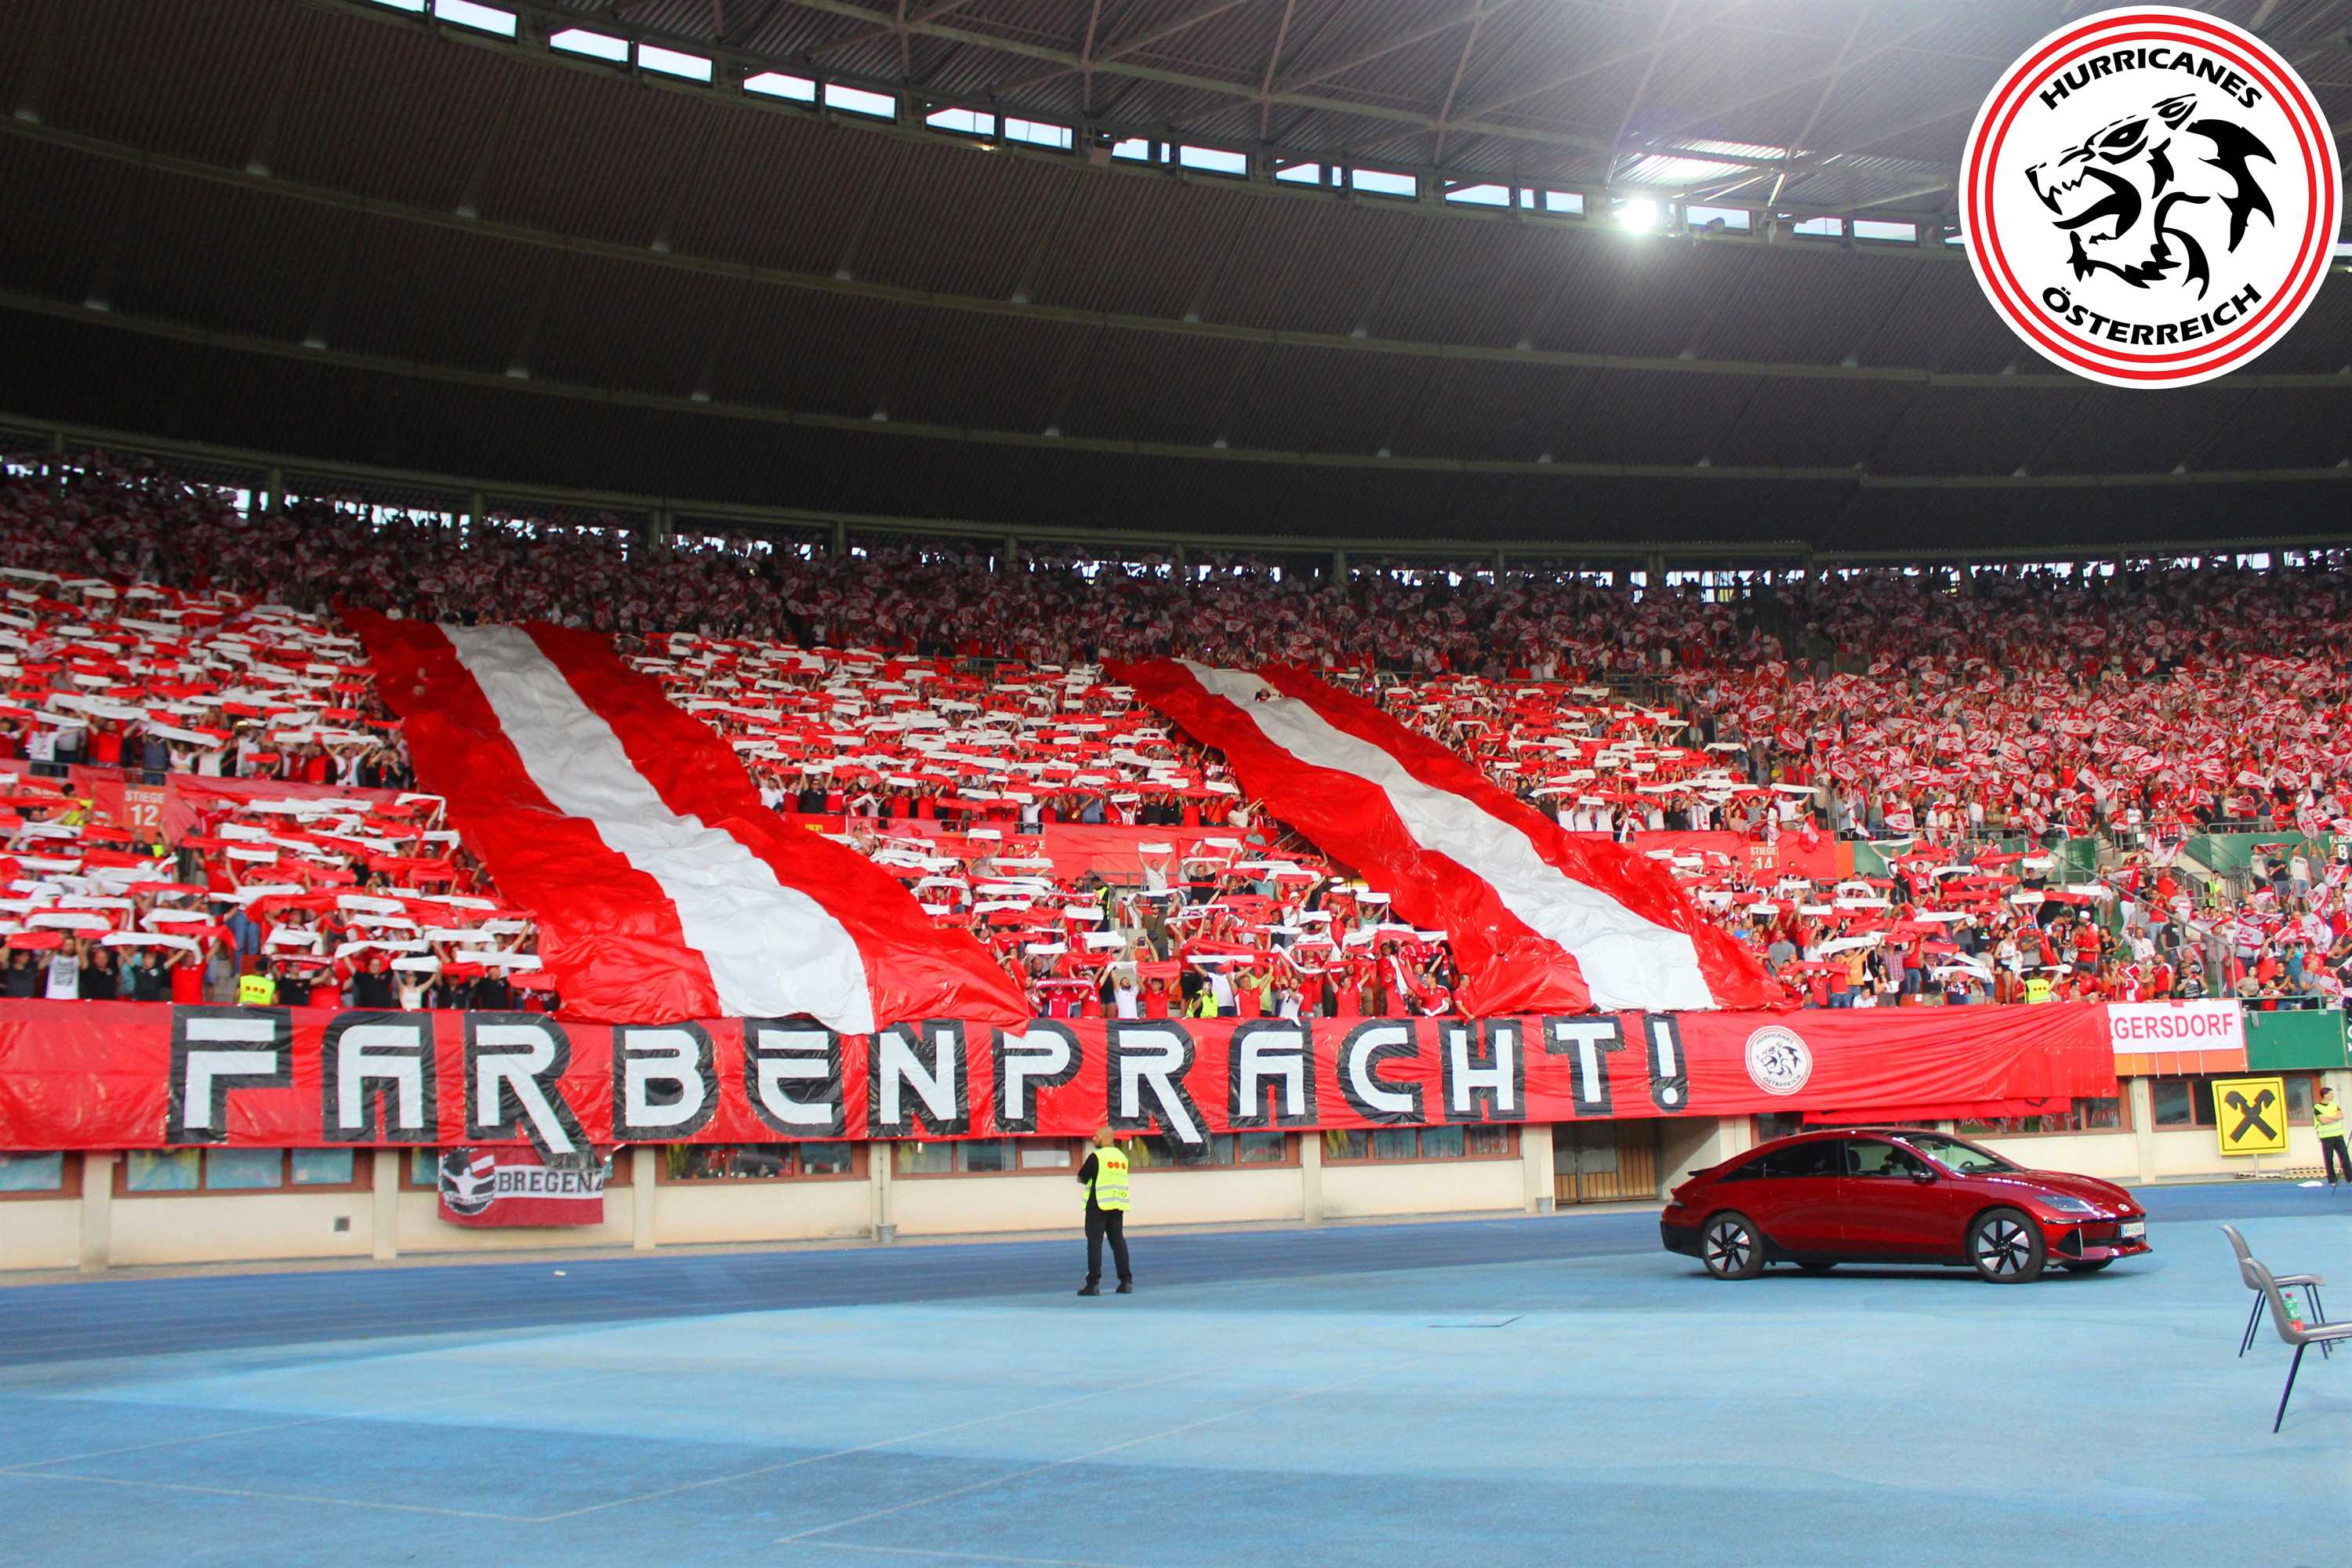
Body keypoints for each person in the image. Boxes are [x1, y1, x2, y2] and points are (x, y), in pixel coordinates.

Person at [1073, 1126, 1132, 1297]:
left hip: (1097, 1204)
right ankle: (1126, 1281)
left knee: (1094, 1243)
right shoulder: (1122, 1157)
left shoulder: (1097, 1157)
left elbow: (1082, 1177)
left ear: (1105, 1138)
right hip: (1117, 1204)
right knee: (1118, 1242)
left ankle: (1093, 1283)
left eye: (1096, 1136)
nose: (1093, 1138)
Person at [2316, 1087, 2350, 1189]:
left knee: (2345, 1157)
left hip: (2338, 1135)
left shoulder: (2334, 1105)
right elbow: (2323, 1121)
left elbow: (2341, 1116)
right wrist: (2335, 1118)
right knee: (2329, 1158)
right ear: (2325, 1095)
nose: (2332, 1095)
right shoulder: (2317, 1107)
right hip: (2326, 1137)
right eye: (2330, 1094)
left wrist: (2329, 1117)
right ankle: (2332, 1180)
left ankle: (2350, 1178)